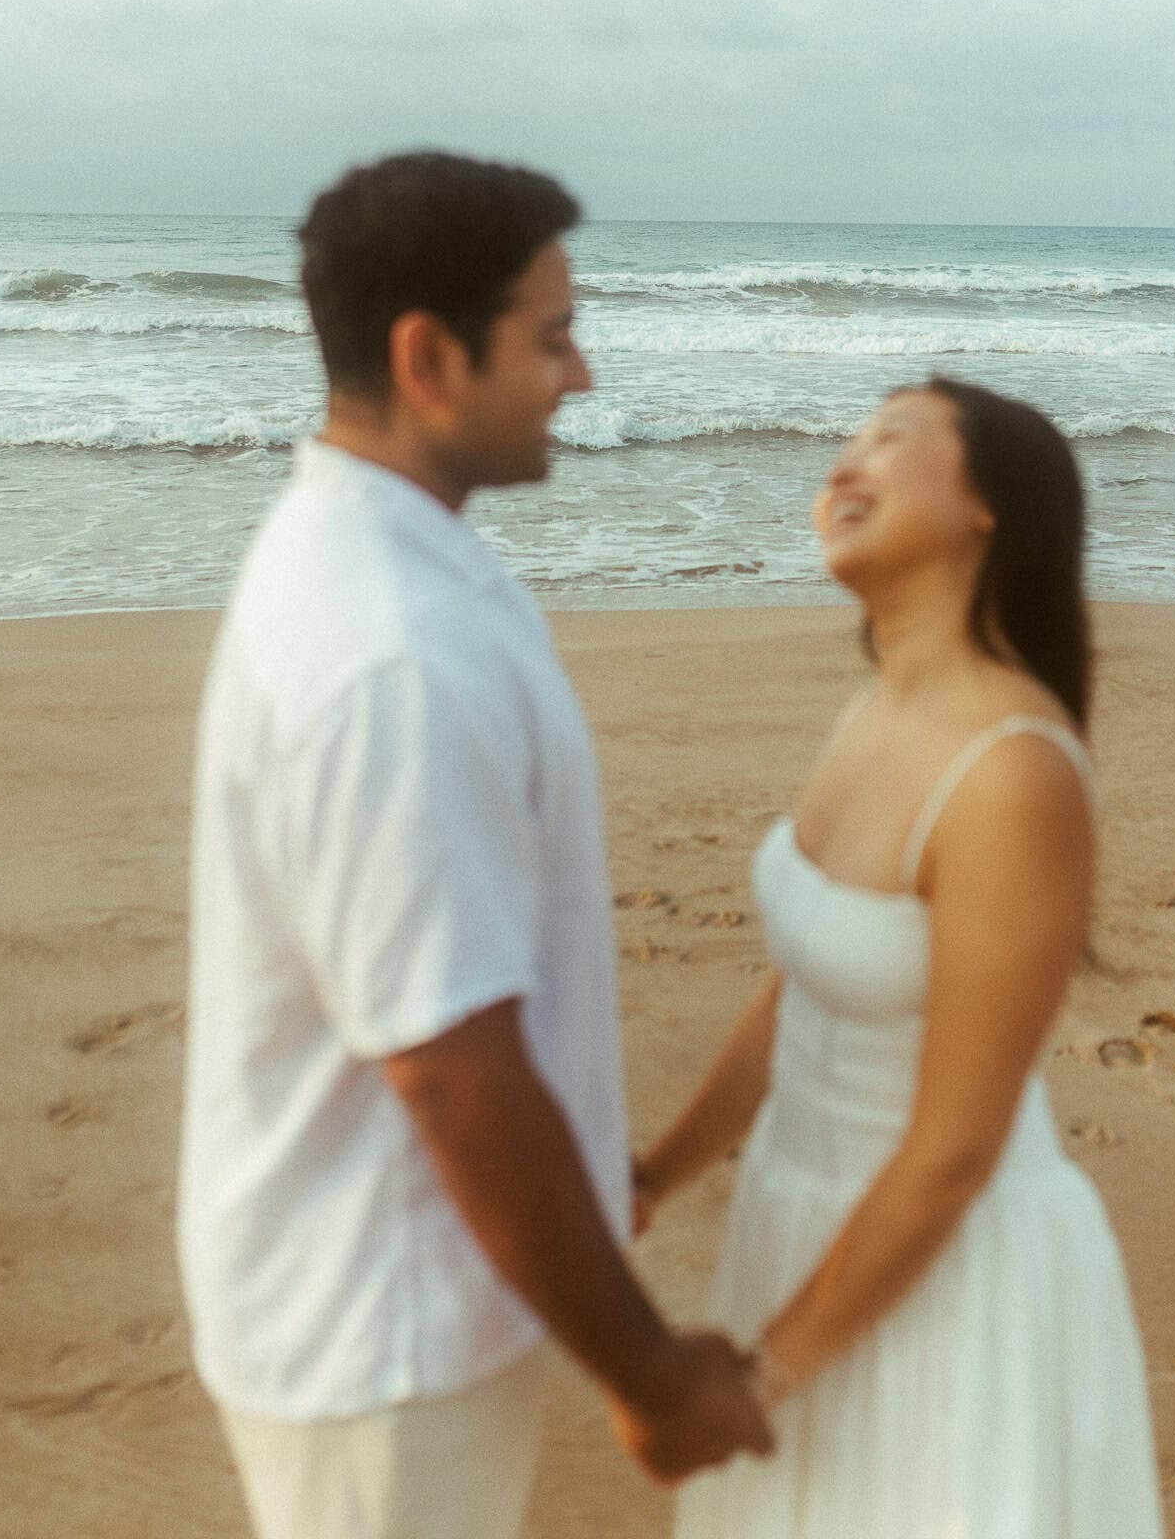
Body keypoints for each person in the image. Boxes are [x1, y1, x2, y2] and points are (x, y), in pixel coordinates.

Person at [177, 150, 771, 1539]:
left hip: (402, 1295)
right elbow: (452, 1072)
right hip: (375, 1330)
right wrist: (648, 1372)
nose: (583, 376)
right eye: (552, 337)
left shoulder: (397, 559)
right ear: (428, 355)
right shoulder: (388, 656)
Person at [635, 377, 1164, 1537]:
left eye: (891, 435)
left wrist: (763, 1376)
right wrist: (655, 1174)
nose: (844, 461)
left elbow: (954, 1152)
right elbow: (806, 989)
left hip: (945, 1285)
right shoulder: (872, 711)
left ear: (990, 506)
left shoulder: (1012, 768)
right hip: (805, 1230)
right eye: (843, 436)